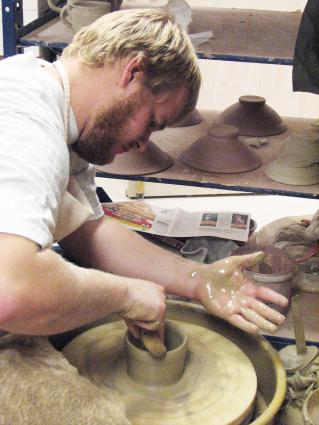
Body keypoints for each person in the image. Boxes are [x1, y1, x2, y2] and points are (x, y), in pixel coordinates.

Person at [0, 8, 288, 346]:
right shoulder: (25, 118)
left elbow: (89, 232)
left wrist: (197, 279)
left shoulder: (58, 111)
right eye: (152, 121)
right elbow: (11, 291)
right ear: (132, 72)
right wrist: (127, 296)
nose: (141, 144)